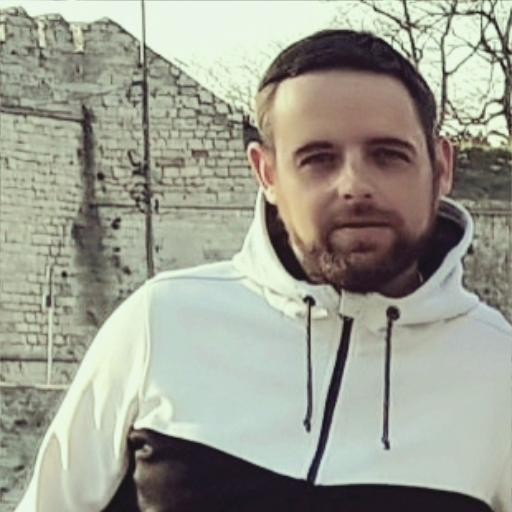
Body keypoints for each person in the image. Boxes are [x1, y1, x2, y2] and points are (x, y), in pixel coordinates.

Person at [16, 29, 511, 512]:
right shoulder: (161, 324)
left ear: (441, 167)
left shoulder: (497, 370)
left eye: (388, 155)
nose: (354, 186)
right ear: (267, 174)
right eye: (318, 159)